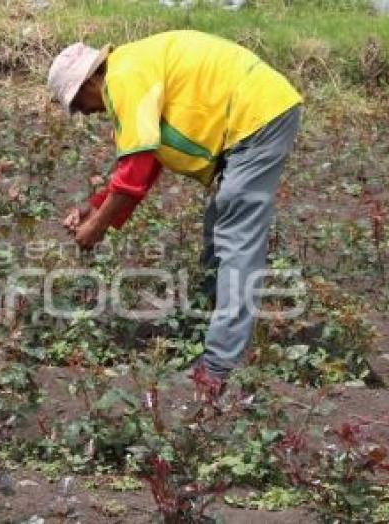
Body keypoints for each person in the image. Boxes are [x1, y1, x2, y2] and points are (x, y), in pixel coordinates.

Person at [47, 30, 302, 383]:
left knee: (237, 241)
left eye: (78, 103)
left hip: (257, 116)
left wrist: (97, 227)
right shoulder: (130, 68)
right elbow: (146, 161)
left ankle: (216, 369)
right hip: (253, 114)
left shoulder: (124, 77)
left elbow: (136, 168)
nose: (86, 113)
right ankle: (199, 330)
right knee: (219, 228)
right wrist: (95, 208)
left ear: (91, 79)